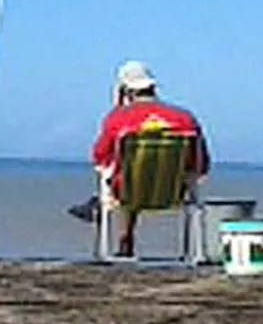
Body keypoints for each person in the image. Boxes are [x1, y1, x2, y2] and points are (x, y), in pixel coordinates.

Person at [90, 60, 210, 257]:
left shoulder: (118, 119)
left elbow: (99, 157)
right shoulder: (185, 118)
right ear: (153, 87)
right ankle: (193, 251)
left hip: (127, 191)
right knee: (140, 175)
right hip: (173, 192)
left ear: (125, 91)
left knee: (128, 177)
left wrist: (118, 108)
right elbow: (201, 164)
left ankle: (121, 239)